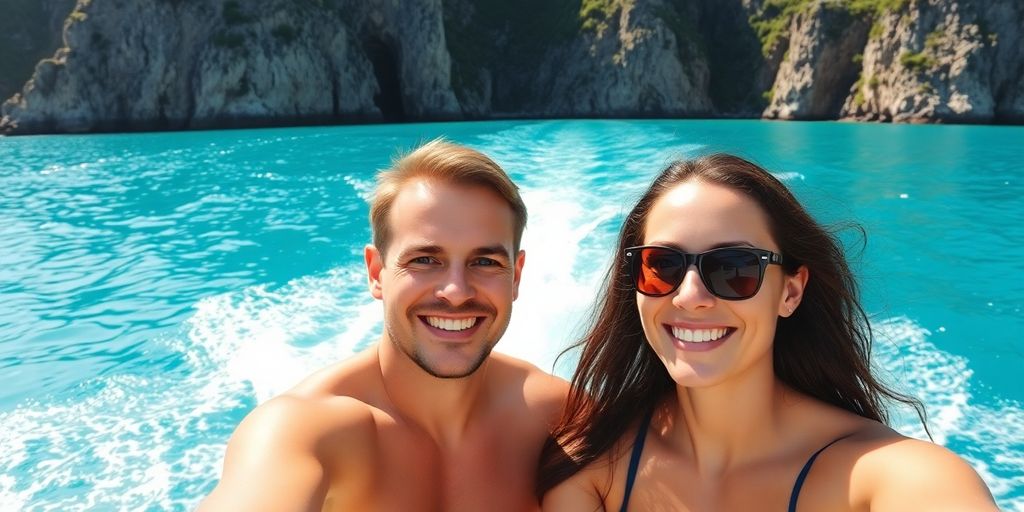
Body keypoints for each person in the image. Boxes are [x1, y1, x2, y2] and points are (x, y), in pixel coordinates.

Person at [537, 154, 997, 511]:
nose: (690, 296)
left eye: (734, 268)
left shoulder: (894, 479)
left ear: (791, 292)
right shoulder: (593, 467)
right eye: (662, 266)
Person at [199, 139, 567, 511]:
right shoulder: (301, 430)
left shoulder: (563, 418)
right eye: (425, 259)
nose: (456, 292)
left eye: (485, 263)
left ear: (516, 277)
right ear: (376, 272)